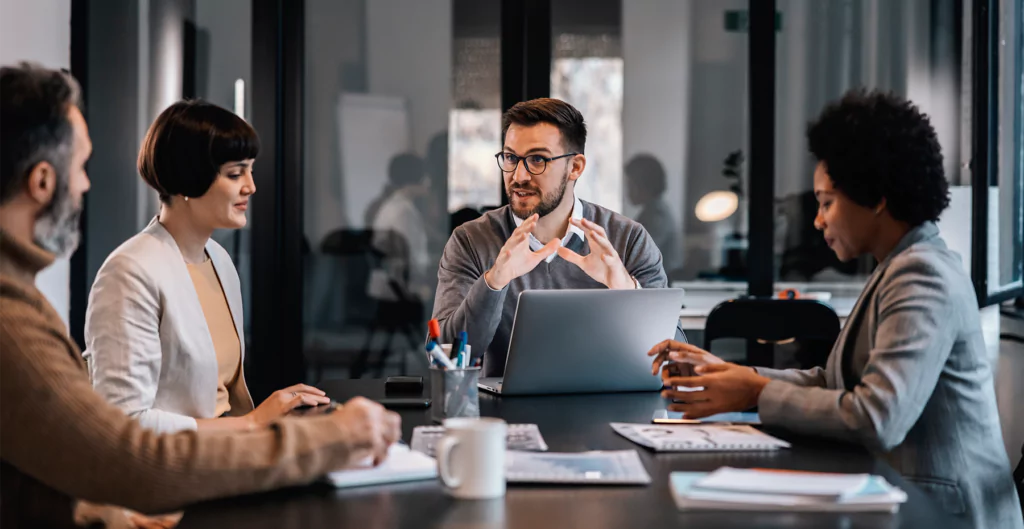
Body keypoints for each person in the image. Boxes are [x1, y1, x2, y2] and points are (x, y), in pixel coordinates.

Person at [0, 63, 401, 528]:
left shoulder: (218, 262)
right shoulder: (23, 314)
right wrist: (318, 440)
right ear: (43, 181)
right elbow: (122, 451)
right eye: (81, 168)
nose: (87, 184)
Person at [648, 89, 1023, 528]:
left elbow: (876, 417)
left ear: (877, 196)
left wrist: (754, 391)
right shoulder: (898, 265)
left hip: (946, 516)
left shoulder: (922, 274)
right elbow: (834, 382)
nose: (817, 220)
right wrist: (733, 375)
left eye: (827, 203)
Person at [82, 100, 329, 434]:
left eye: (250, 170)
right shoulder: (129, 273)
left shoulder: (219, 260)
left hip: (225, 453)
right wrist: (253, 422)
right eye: (235, 173)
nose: (251, 187)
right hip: (173, 473)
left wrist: (259, 421)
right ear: (188, 178)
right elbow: (124, 421)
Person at [433, 98, 669, 376]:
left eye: (537, 159)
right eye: (510, 158)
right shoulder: (471, 240)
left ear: (575, 167)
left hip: (608, 408)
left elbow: (673, 360)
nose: (518, 175)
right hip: (504, 413)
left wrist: (627, 291)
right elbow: (443, 356)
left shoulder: (627, 240)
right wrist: (494, 282)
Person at [625, 154, 683, 275]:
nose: (627, 190)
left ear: (643, 184)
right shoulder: (652, 210)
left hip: (659, 287)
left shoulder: (657, 215)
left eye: (630, 184)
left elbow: (639, 255)